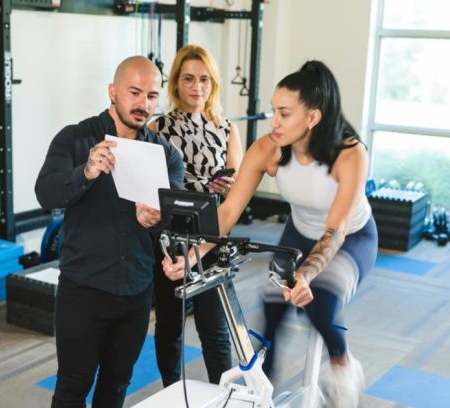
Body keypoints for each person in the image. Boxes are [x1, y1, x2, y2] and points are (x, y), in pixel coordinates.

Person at [161, 60, 377, 407]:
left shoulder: (349, 153)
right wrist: (191, 257)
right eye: (273, 111)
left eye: (285, 113)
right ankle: (267, 397)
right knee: (273, 307)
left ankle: (342, 362)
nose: (274, 122)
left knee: (320, 299)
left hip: (352, 237)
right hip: (300, 232)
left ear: (312, 118)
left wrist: (306, 274)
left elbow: (335, 231)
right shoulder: (268, 149)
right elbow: (228, 211)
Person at [35, 56, 185, 408]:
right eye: (134, 93)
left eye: (151, 96)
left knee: (117, 387)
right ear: (112, 92)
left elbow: (176, 224)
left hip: (135, 290)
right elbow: (46, 193)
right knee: (72, 389)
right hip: (83, 290)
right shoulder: (74, 138)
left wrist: (159, 219)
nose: (143, 104)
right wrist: (85, 172)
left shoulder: (166, 155)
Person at [149, 44, 243, 386]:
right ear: (176, 83)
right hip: (170, 235)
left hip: (213, 235)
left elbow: (239, 189)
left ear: (213, 83)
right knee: (170, 325)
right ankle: (171, 390)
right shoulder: (158, 128)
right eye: (188, 78)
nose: (196, 86)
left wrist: (225, 187)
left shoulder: (227, 128)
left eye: (204, 79)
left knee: (214, 327)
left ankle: (224, 393)